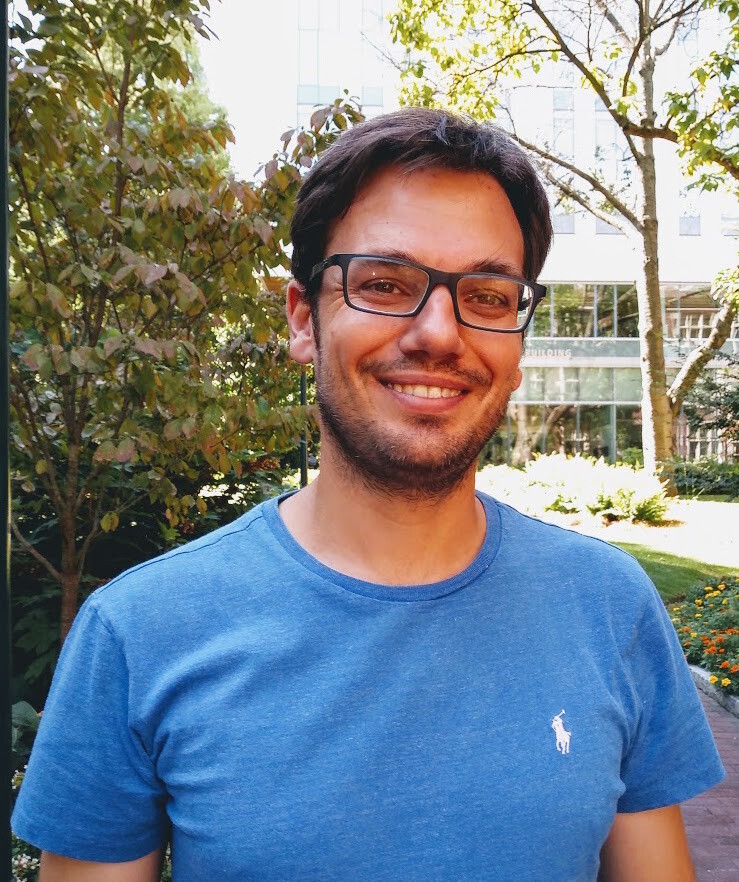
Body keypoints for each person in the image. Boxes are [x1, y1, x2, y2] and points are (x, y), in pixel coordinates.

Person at [13, 108, 723, 881]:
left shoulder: (608, 606)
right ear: (303, 321)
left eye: (488, 295)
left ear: (517, 343)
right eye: (384, 284)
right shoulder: (141, 632)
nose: (439, 334)